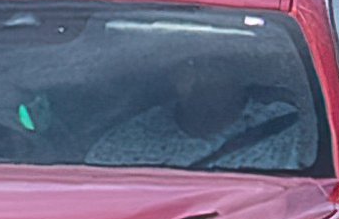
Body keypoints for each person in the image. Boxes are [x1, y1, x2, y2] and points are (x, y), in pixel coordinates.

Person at [87, 48, 309, 172]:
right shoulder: (128, 140)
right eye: (188, 65)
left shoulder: (290, 131)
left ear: (240, 75)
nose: (198, 77)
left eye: (215, 66)